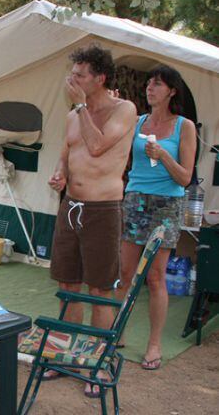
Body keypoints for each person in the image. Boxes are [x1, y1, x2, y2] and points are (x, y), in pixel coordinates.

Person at [47, 45, 137, 397]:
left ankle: (96, 364)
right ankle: (67, 359)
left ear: (100, 78)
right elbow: (66, 155)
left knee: (100, 290)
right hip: (71, 207)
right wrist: (59, 175)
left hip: (103, 209)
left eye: (81, 75)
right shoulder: (73, 115)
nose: (73, 79)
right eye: (73, 73)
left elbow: (98, 146)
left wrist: (81, 106)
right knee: (68, 285)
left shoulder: (124, 110)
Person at [117, 65, 196, 371]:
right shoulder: (137, 122)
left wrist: (162, 154)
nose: (150, 88)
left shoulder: (184, 127)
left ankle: (153, 344)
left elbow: (185, 178)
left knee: (154, 277)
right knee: (125, 274)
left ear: (172, 90)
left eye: (158, 84)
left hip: (167, 205)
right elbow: (120, 159)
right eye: (149, 83)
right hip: (135, 199)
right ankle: (118, 331)